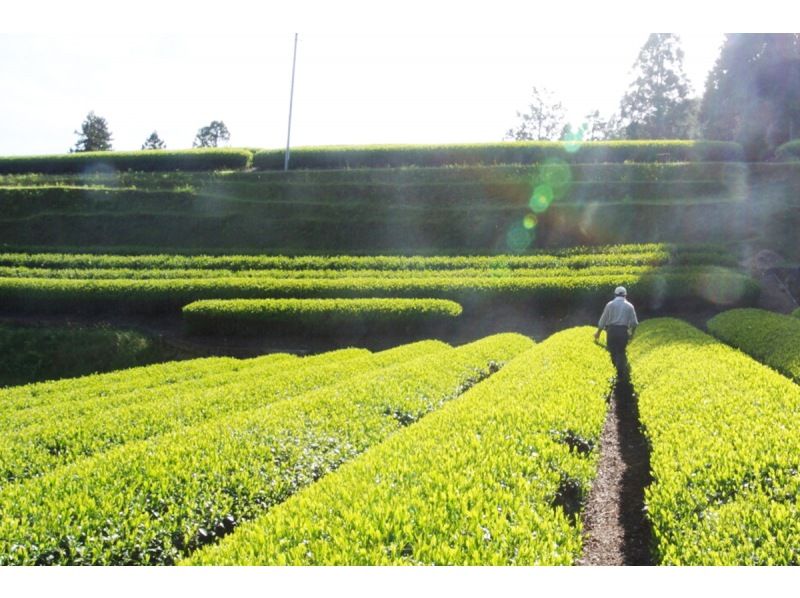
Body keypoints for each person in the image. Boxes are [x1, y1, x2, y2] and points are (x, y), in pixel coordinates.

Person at [593, 286, 638, 377]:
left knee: (612, 352)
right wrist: (631, 334)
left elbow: (603, 320)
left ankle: (613, 375)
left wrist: (598, 332)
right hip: (623, 332)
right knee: (621, 353)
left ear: (615, 294)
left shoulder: (610, 304)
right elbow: (634, 323)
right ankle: (621, 375)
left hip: (611, 331)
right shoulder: (629, 306)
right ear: (625, 295)